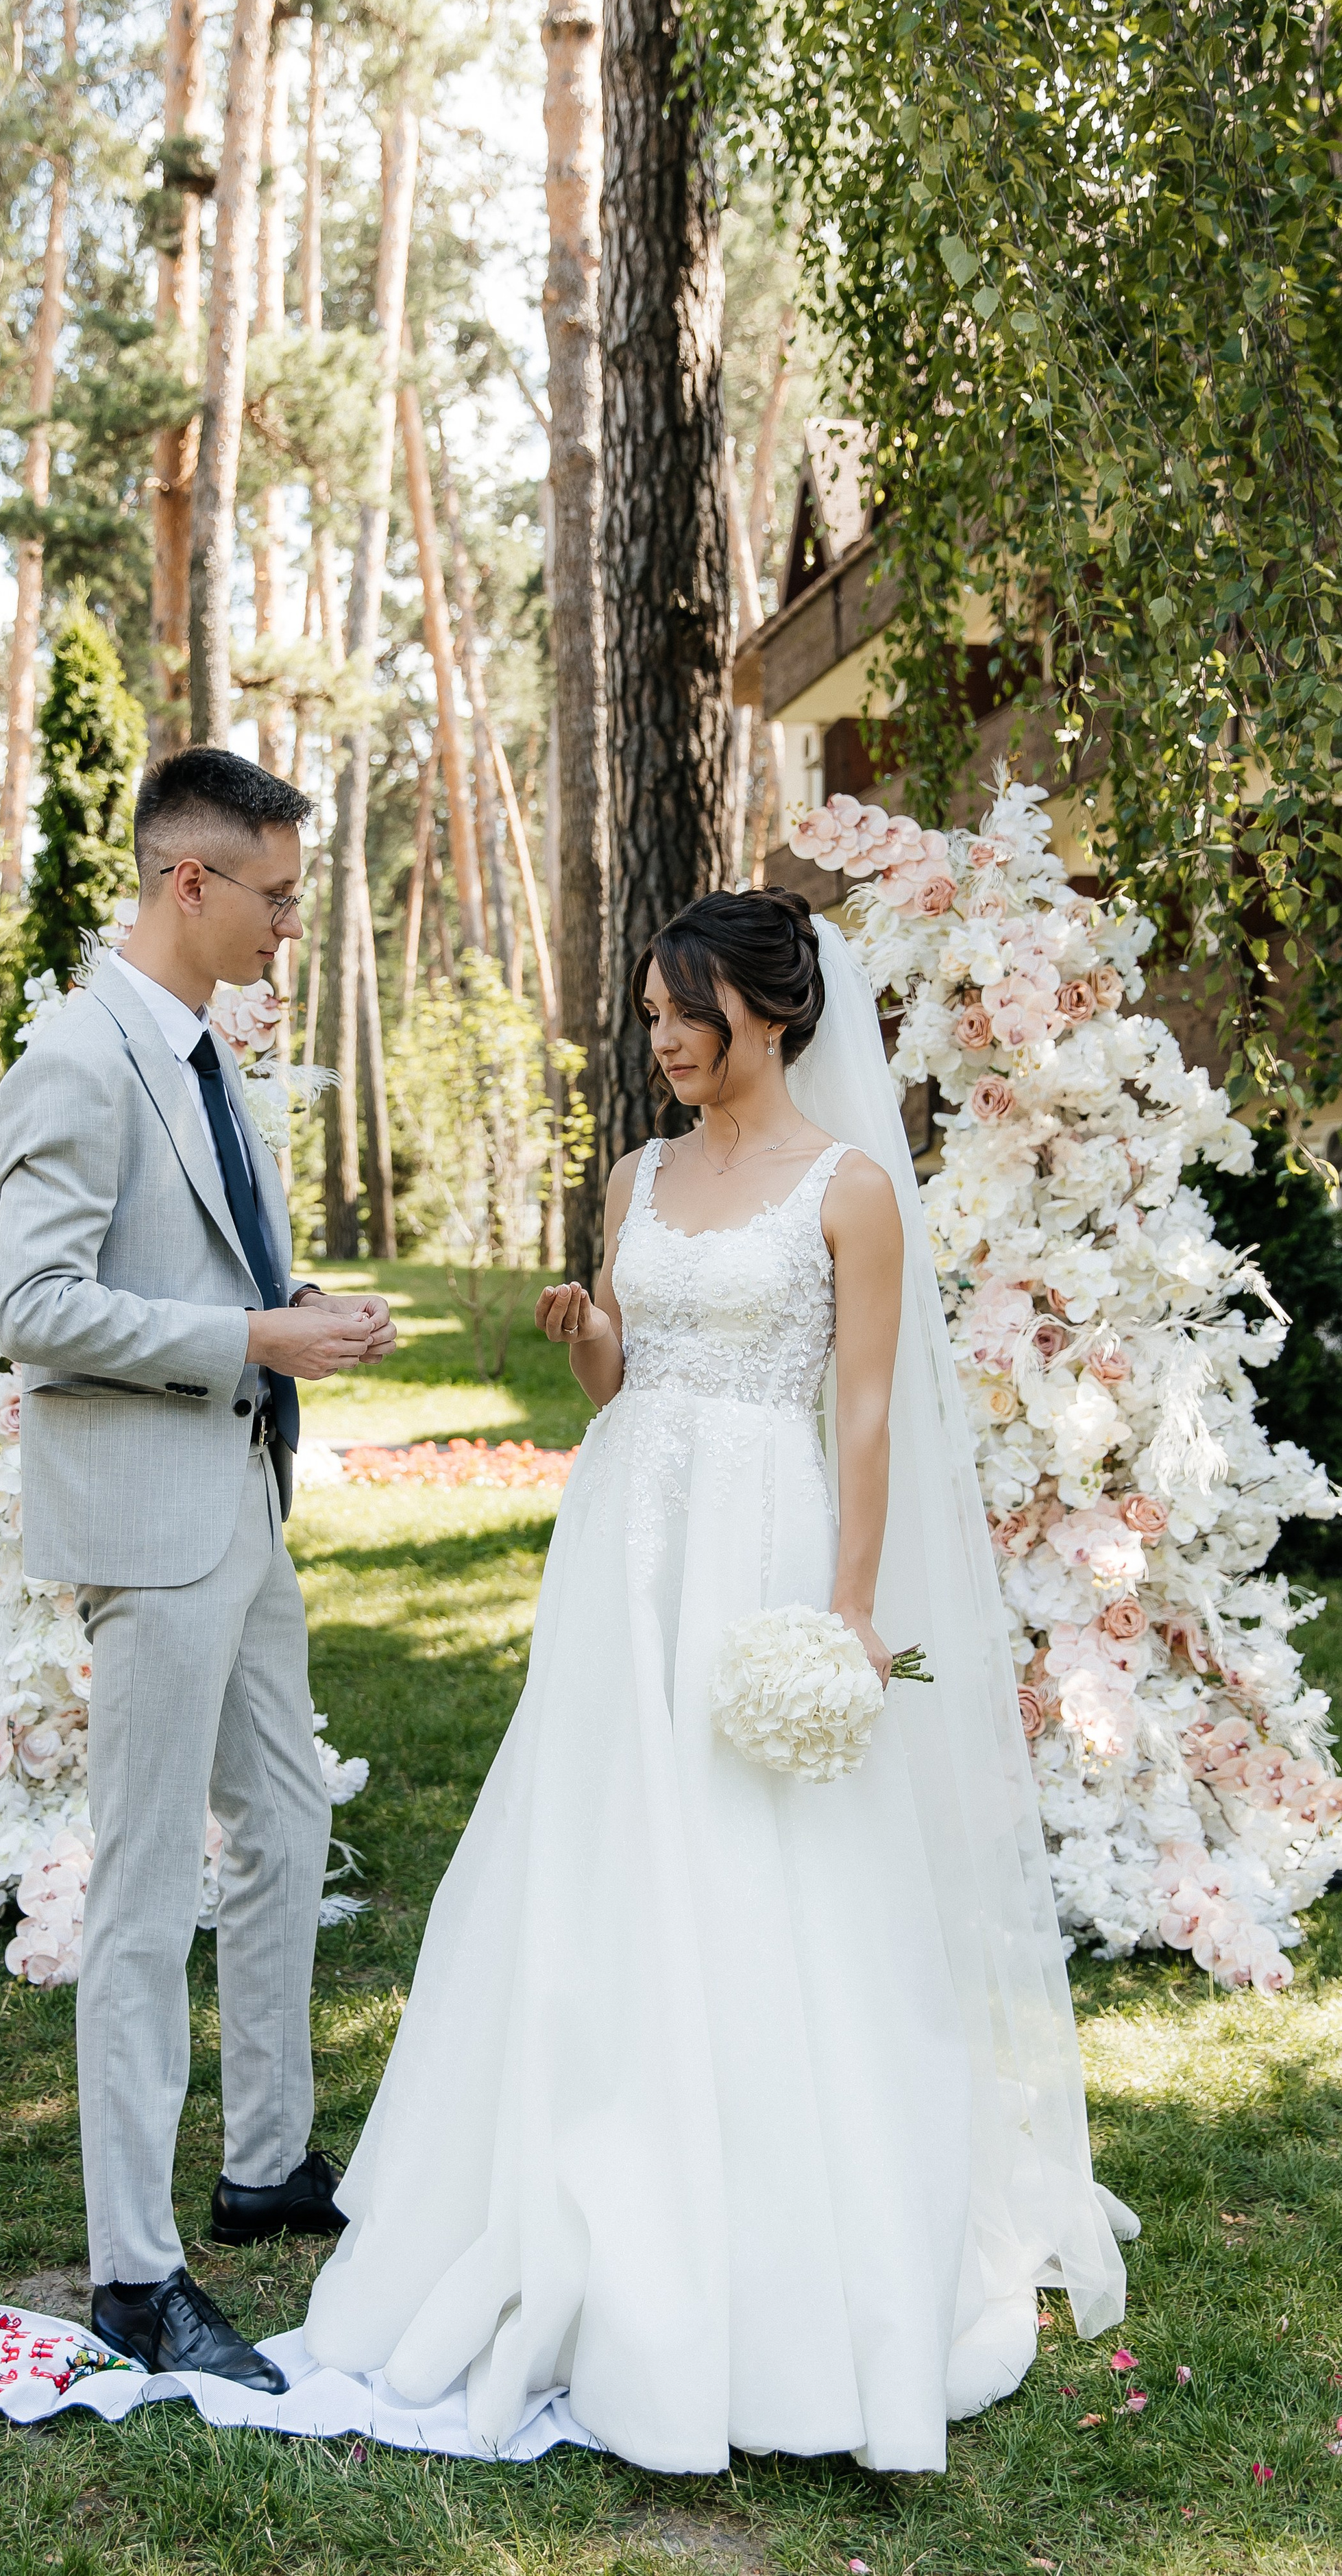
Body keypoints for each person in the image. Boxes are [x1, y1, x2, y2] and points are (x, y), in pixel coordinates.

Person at [288, 887, 1134, 2473]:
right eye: (651, 1019)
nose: (661, 1043)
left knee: (757, 1851)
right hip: (626, 1542)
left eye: (685, 1016)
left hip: (762, 1538)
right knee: (607, 1831)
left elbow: (864, 1418)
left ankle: (780, 2210)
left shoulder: (850, 1189)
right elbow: (628, 1371)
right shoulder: (636, 1175)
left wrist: (849, 1613)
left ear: (770, 1013)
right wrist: (581, 1338)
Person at [0, 746, 395, 2392]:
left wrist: (299, 1326)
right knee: (147, 1888)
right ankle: (134, 2275)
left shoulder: (206, 1054)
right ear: (188, 882)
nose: (292, 922)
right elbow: (36, 1309)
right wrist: (247, 1336)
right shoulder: (77, 1060)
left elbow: (212, 1260)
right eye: (277, 894)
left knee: (288, 1819)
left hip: (238, 1497)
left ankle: (266, 2162)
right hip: (150, 1535)